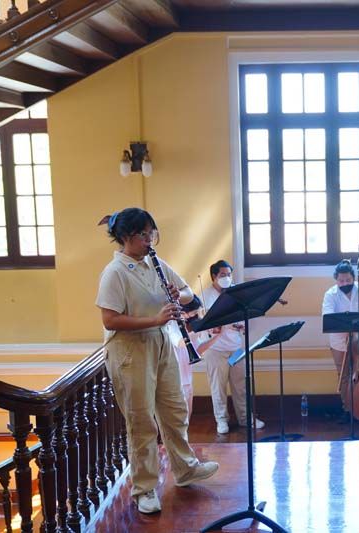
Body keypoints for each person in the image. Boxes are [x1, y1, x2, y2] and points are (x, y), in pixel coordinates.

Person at [96, 207, 218, 515]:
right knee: (142, 421)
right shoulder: (115, 272)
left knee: (174, 409)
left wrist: (180, 295)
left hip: (160, 343)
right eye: (144, 235)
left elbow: (187, 292)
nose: (150, 240)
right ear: (126, 237)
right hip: (129, 350)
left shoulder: (154, 262)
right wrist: (155, 319)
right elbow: (110, 320)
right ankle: (145, 488)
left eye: (153, 233)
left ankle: (185, 468)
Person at [200, 260, 265, 435]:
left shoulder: (236, 293)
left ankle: (245, 418)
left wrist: (241, 325)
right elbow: (207, 323)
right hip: (215, 349)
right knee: (218, 387)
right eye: (223, 275)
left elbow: (243, 316)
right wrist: (222, 326)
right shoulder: (206, 296)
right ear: (214, 276)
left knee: (241, 386)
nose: (227, 278)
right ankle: (221, 420)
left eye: (229, 275)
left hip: (236, 347)